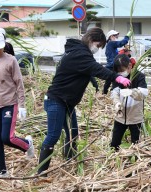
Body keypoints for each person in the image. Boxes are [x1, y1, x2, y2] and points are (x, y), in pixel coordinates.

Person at [37, 28, 131, 176]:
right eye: (98, 45)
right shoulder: (79, 54)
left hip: (67, 102)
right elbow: (95, 68)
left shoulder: (78, 52)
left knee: (73, 132)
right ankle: (41, 172)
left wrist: (93, 81)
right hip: (57, 100)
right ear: (91, 40)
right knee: (53, 136)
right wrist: (116, 77)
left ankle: (70, 159)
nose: (97, 49)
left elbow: (85, 70)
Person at [0, 30, 34, 177]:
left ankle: (27, 145)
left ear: (3, 45)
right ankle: (1, 171)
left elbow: (19, 84)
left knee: (7, 138)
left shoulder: (11, 60)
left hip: (9, 104)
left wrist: (21, 105)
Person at [110, 54, 148, 151]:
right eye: (118, 71)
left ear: (130, 66)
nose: (120, 73)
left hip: (135, 116)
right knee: (114, 143)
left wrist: (131, 92)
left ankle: (134, 160)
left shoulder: (139, 76)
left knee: (135, 143)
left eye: (122, 70)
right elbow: (114, 92)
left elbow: (143, 94)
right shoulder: (118, 78)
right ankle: (114, 157)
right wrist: (117, 103)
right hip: (120, 115)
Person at [103, 29, 132, 94]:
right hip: (113, 64)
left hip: (111, 65)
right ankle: (113, 91)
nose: (116, 38)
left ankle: (105, 92)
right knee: (116, 78)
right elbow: (121, 43)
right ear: (111, 37)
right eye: (115, 36)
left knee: (110, 79)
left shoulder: (110, 46)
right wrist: (127, 36)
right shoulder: (111, 43)